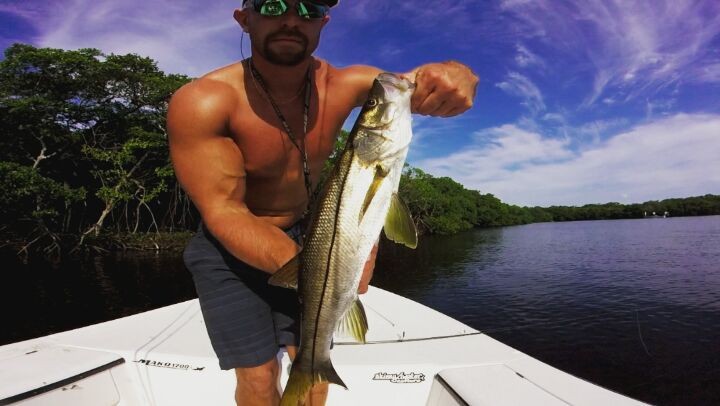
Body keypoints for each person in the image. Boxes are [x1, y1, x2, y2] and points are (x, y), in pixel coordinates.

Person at [167, 0, 478, 405]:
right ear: (244, 18)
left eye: (309, 8)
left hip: (311, 232)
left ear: (324, 22)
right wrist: (324, 269)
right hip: (227, 250)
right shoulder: (203, 100)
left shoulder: (347, 84)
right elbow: (225, 212)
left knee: (313, 368)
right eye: (272, 4)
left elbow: (413, 84)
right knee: (259, 375)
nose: (291, 20)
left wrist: (457, 72)